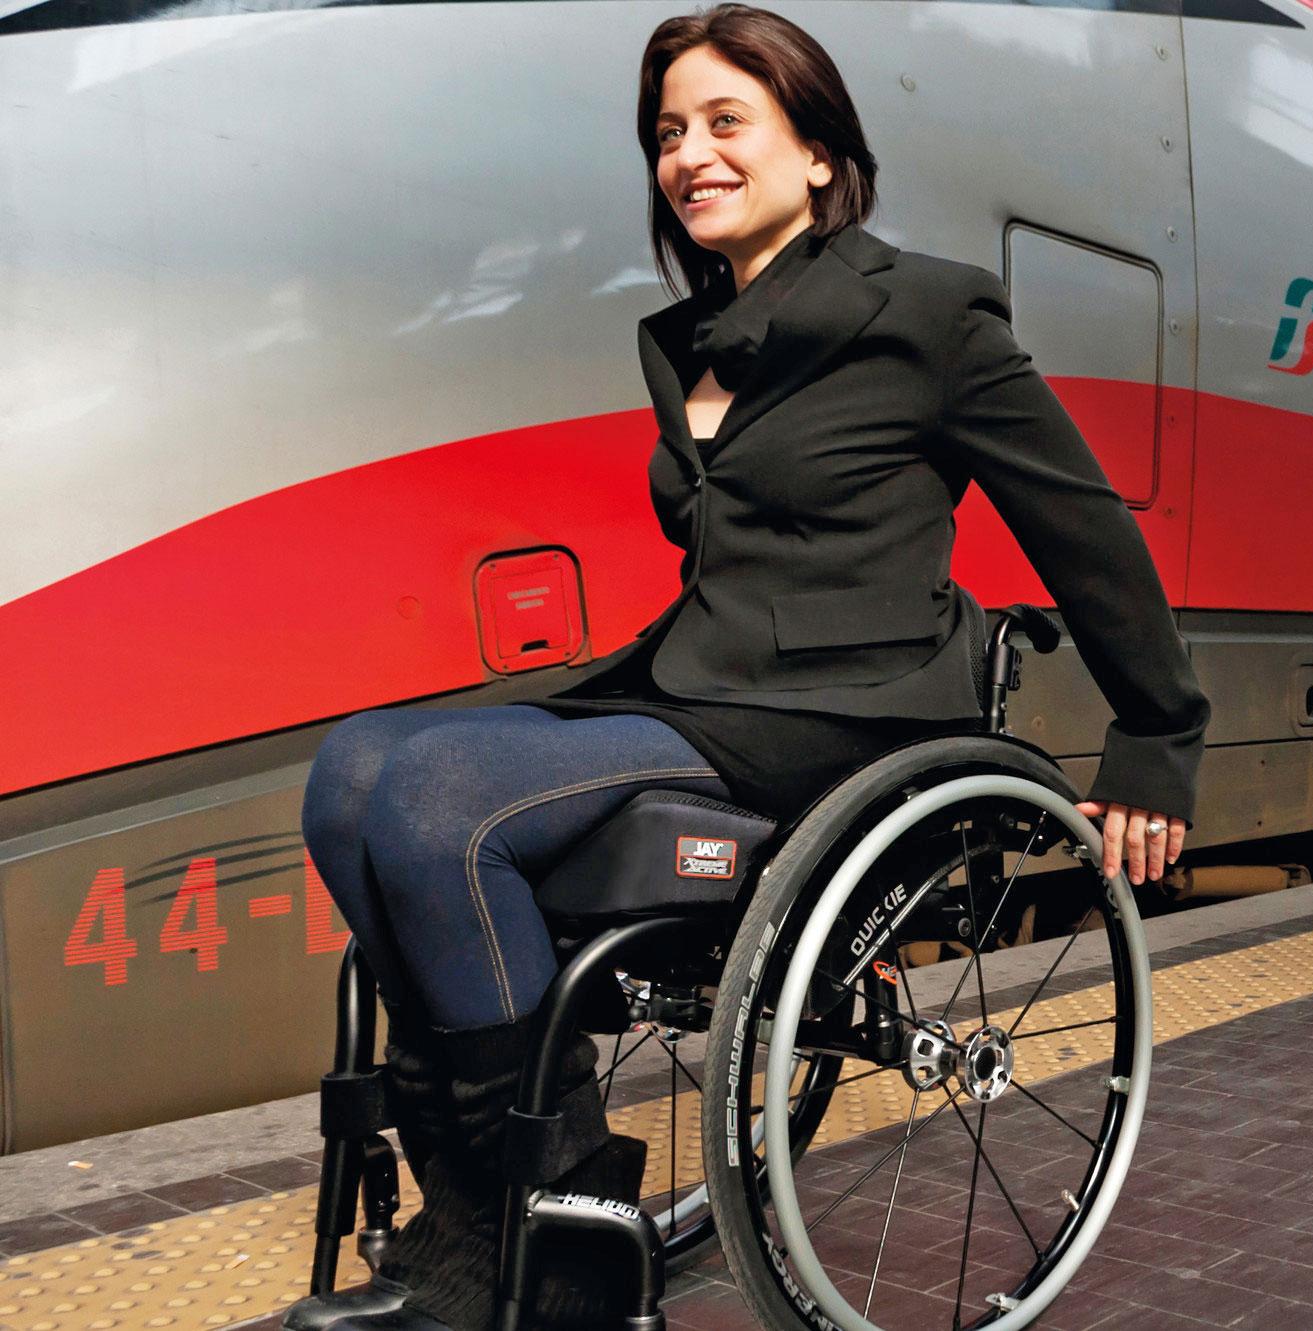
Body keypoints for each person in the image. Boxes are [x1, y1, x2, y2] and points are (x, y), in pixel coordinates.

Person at [287, 6, 1208, 1329]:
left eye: (728, 122)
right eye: (670, 131)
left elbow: (1084, 525)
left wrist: (1157, 737)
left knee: (442, 801)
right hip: (703, 687)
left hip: (849, 711)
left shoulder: (929, 315)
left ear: (820, 154)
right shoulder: (694, 339)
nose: (689, 154)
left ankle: (560, 1240)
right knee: (352, 772)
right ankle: (484, 1228)